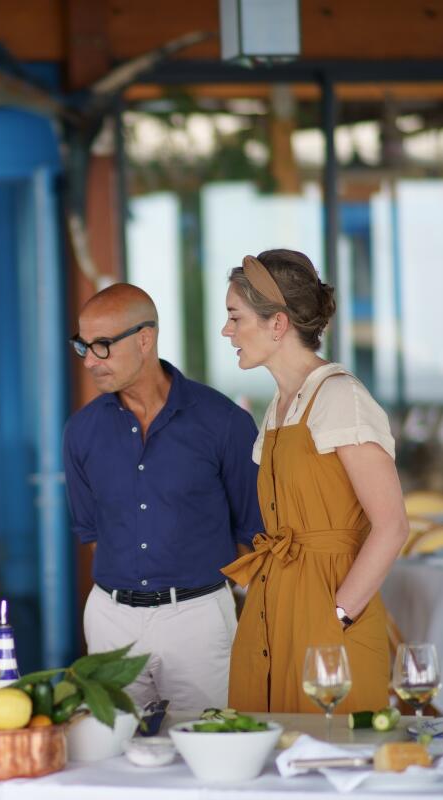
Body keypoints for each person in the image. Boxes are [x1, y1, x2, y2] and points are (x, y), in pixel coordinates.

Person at [219, 249, 408, 713]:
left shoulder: (341, 397)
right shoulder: (280, 406)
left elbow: (393, 526)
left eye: (235, 317)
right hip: (275, 605)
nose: (227, 331)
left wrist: (338, 614)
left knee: (332, 758)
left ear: (277, 325)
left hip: (327, 606)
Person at [63, 284, 262, 711]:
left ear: (145, 338)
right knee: (110, 750)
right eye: (83, 345)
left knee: (207, 747)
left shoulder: (225, 423)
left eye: (102, 346)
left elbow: (252, 532)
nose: (90, 361)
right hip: (110, 619)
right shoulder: (81, 431)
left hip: (198, 618)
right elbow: (94, 531)